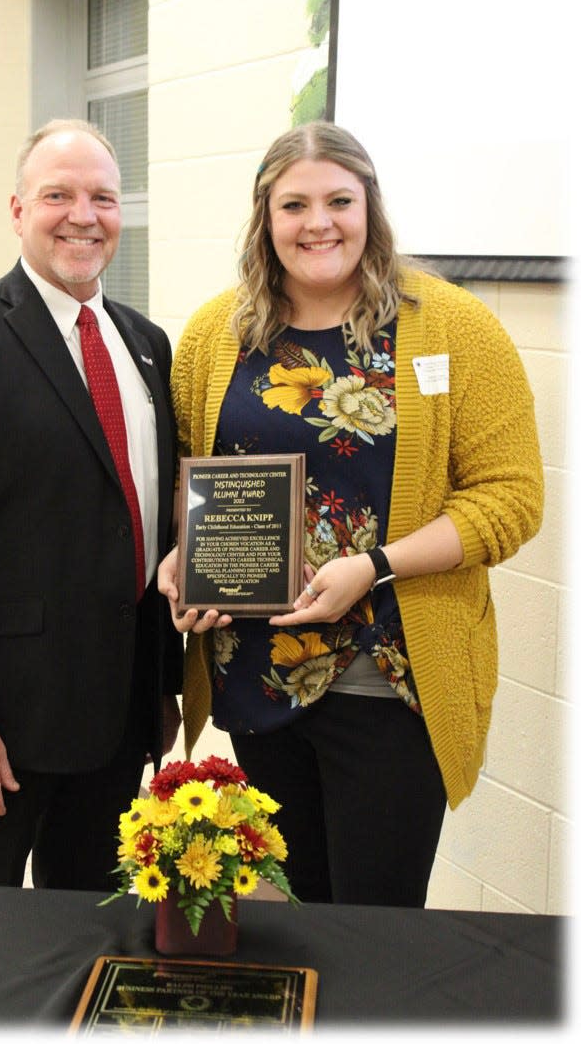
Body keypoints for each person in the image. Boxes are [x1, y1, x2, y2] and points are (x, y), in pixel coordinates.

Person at [158, 120, 543, 907]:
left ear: (370, 206)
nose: (318, 222)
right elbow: (186, 472)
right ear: (265, 217)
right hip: (255, 676)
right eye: (293, 204)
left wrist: (372, 567)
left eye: (340, 199)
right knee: (298, 907)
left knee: (377, 922)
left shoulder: (454, 327)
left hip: (389, 678)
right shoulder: (212, 334)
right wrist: (179, 556)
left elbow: (510, 497)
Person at [0, 118, 182, 890]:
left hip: (120, 714)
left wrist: (163, 684)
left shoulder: (147, 344)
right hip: (7, 722)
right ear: (19, 210)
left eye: (103, 197)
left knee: (91, 922)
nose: (83, 215)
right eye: (58, 194)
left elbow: (148, 525)